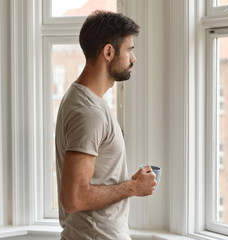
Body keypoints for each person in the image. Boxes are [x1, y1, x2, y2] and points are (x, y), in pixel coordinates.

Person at [55, 10, 157, 240]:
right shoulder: (89, 112)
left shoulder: (80, 98)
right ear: (109, 52)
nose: (133, 58)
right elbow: (74, 198)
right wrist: (133, 187)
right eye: (130, 50)